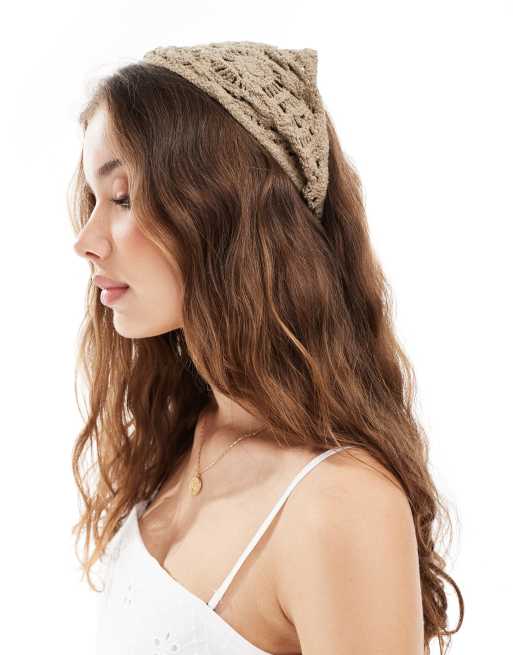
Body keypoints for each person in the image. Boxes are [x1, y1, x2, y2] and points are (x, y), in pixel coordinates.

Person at [69, 41, 463, 655]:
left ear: (225, 211)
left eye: (122, 198)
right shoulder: (187, 438)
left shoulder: (339, 505)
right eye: (93, 201)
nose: (86, 241)